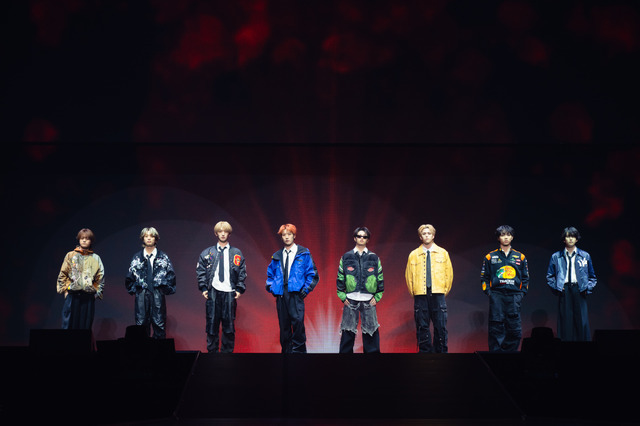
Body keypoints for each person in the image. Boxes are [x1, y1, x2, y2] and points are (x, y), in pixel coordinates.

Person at [266, 224, 319, 353]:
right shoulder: (277, 255)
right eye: (284, 235)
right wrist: (272, 288)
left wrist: (305, 290)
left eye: (289, 234)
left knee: (298, 326)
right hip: (281, 295)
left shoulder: (303, 253)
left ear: (294, 236)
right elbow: (270, 274)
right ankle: (286, 356)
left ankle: (299, 356)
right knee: (284, 328)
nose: (287, 237)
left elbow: (312, 274)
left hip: (296, 294)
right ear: (281, 237)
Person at [196, 221, 247, 353]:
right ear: (216, 233)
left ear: (229, 234)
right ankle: (211, 355)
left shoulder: (236, 252)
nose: (223, 234)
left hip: (230, 291)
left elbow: (242, 272)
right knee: (212, 324)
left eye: (225, 232)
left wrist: (239, 288)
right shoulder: (207, 252)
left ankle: (227, 356)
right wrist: (203, 288)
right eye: (220, 231)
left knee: (229, 326)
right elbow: (200, 271)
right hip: (213, 291)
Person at [405, 224, 453, 353]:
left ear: (433, 235)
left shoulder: (443, 253)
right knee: (422, 326)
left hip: (438, 293)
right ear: (420, 237)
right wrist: (415, 292)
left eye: (429, 233)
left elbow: (449, 275)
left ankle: (441, 353)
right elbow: (409, 276)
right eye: (424, 234)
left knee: (440, 326)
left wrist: (443, 291)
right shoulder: (414, 254)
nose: (426, 236)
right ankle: (424, 353)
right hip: (420, 294)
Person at [480, 225, 529, 352]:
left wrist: (522, 293)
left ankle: (510, 355)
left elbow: (525, 278)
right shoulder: (490, 257)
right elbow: (484, 278)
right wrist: (489, 293)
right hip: (497, 295)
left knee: (514, 328)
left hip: (514, 296)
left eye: (508, 235)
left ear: (512, 237)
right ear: (498, 238)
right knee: (496, 326)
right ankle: (496, 356)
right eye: (503, 235)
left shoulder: (520, 257)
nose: (506, 237)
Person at [336, 227, 384, 353]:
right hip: (350, 300)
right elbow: (340, 277)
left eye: (364, 237)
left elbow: (380, 278)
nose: (361, 238)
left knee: (371, 332)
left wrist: (377, 296)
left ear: (368, 240)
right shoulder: (346, 257)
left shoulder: (374, 258)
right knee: (347, 332)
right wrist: (342, 295)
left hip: (368, 300)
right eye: (359, 236)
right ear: (355, 238)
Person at [546, 227, 597, 341]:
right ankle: (565, 348)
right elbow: (549, 276)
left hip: (580, 290)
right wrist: (557, 288)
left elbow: (592, 277)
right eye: (568, 236)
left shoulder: (585, 255)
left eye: (573, 236)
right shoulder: (556, 256)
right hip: (564, 290)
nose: (570, 239)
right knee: (565, 322)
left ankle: (583, 348)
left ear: (577, 239)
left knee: (581, 321)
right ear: (564, 239)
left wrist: (587, 288)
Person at [125, 227, 176, 339]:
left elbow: (171, 275)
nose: (149, 238)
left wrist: (164, 288)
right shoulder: (137, 257)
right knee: (141, 324)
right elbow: (130, 276)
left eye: (151, 236)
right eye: (146, 236)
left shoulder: (163, 257)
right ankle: (143, 350)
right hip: (142, 294)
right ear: (142, 238)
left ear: (156, 238)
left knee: (159, 323)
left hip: (157, 293)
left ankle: (159, 350)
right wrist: (136, 289)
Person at [56, 228, 105, 330]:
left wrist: (96, 293)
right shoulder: (70, 255)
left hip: (88, 297)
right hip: (72, 295)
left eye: (87, 238)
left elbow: (100, 277)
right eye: (82, 238)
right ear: (78, 239)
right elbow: (63, 274)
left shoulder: (95, 258)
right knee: (68, 325)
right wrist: (65, 290)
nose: (84, 240)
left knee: (85, 327)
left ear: (91, 240)